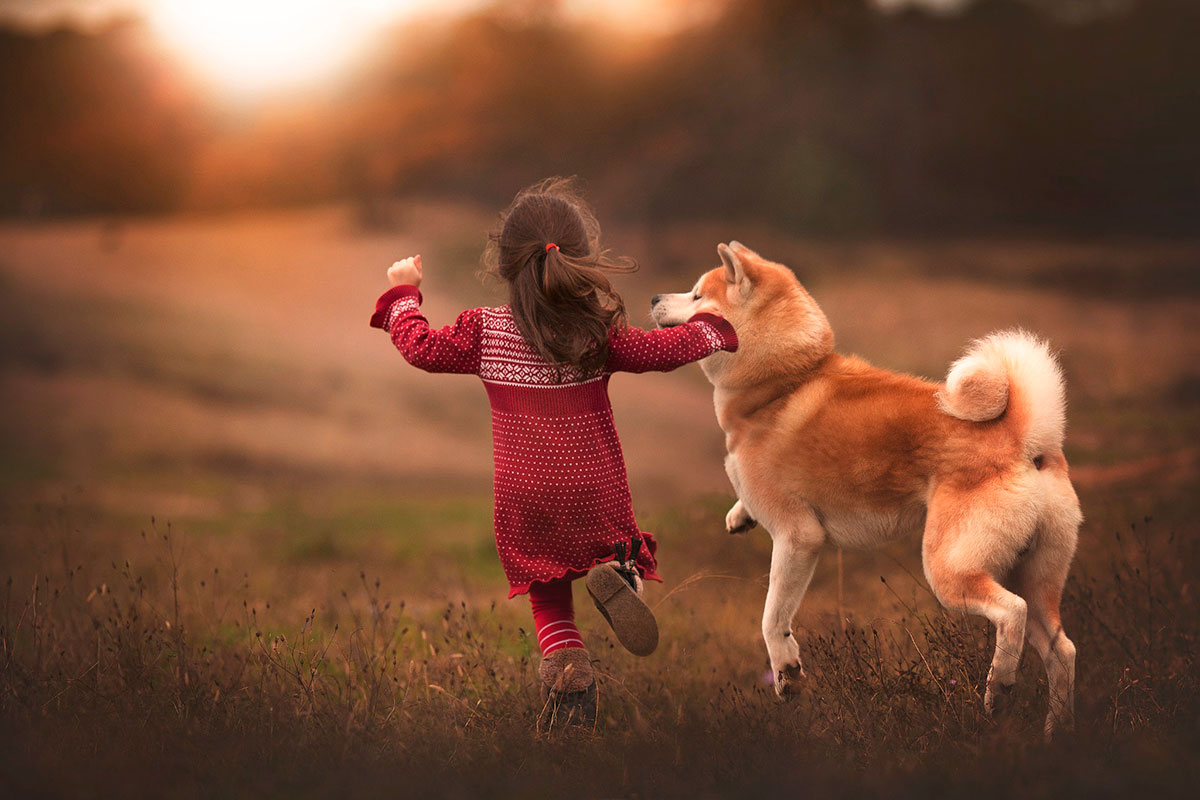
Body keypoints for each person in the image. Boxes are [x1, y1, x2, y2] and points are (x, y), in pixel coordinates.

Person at [370, 178, 737, 728]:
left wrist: (404, 293)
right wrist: (715, 326)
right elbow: (666, 349)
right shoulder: (596, 334)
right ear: (580, 260)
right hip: (594, 489)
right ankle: (619, 573)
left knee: (550, 602)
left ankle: (571, 689)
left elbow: (420, 348)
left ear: (506, 264)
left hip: (524, 499)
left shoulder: (484, 330)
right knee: (613, 548)